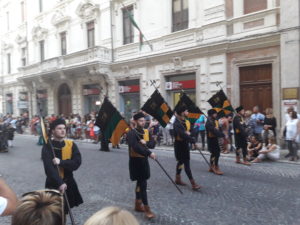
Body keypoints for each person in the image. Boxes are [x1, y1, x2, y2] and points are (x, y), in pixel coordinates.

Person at [41, 118, 83, 214]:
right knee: (54, 213)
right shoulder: (48, 147)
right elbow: (49, 169)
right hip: (54, 183)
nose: (63, 130)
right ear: (53, 131)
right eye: (59, 128)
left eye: (64, 128)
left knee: (65, 211)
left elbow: (76, 163)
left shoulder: (71, 145)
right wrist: (59, 183)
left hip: (69, 183)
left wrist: (61, 162)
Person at [127, 112, 156, 219]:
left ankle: (137, 204)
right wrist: (148, 153)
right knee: (143, 185)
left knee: (141, 183)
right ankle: (147, 209)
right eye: (140, 121)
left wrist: (146, 143)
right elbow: (135, 147)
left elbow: (152, 144)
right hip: (135, 162)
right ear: (135, 122)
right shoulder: (131, 133)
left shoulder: (145, 131)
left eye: (144, 120)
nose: (143, 122)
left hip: (144, 161)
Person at [173, 106, 201, 190]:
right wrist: (192, 140)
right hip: (179, 145)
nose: (188, 112)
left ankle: (177, 178)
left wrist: (192, 133)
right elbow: (183, 134)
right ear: (182, 113)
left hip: (185, 144)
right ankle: (193, 183)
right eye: (186, 111)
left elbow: (192, 131)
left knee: (181, 162)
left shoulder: (186, 121)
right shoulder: (177, 123)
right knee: (186, 164)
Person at [205, 109, 225, 175]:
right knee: (215, 153)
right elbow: (213, 130)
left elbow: (218, 128)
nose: (216, 114)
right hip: (211, 140)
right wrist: (221, 135)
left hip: (215, 139)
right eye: (215, 113)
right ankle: (215, 167)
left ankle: (212, 166)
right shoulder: (209, 122)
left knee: (215, 153)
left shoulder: (214, 121)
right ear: (211, 114)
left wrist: (220, 131)